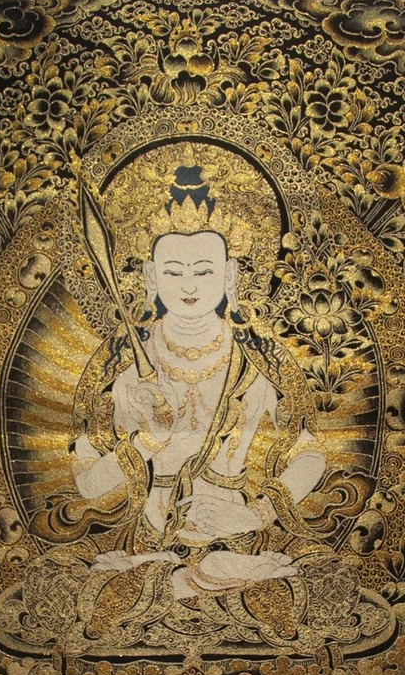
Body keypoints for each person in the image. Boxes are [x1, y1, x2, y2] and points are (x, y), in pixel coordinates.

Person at [69, 227, 327, 599]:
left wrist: (255, 515)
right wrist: (146, 443)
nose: (189, 286)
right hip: (149, 544)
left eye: (204, 271)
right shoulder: (122, 363)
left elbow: (311, 456)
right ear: (151, 277)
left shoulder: (260, 360)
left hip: (238, 543)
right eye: (173, 272)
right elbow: (88, 485)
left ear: (229, 275)